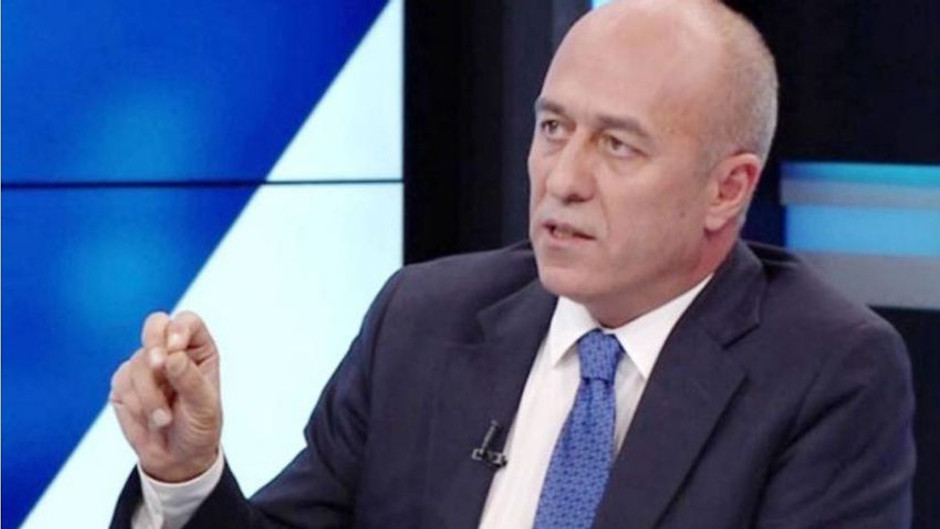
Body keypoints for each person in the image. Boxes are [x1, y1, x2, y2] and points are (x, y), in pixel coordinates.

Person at [109, 0, 915, 527]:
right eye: (553, 128)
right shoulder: (423, 319)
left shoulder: (825, 370)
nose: (562, 179)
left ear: (726, 188)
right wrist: (185, 473)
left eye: (618, 145)